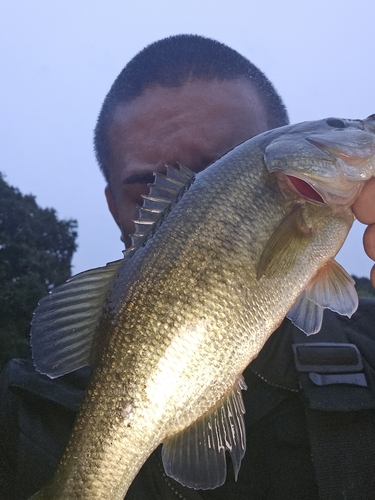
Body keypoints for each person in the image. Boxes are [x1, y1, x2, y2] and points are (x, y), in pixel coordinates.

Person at [1, 34, 375, 500]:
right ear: (114, 206)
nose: (192, 204)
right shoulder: (17, 412)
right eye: (148, 189)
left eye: (218, 172)